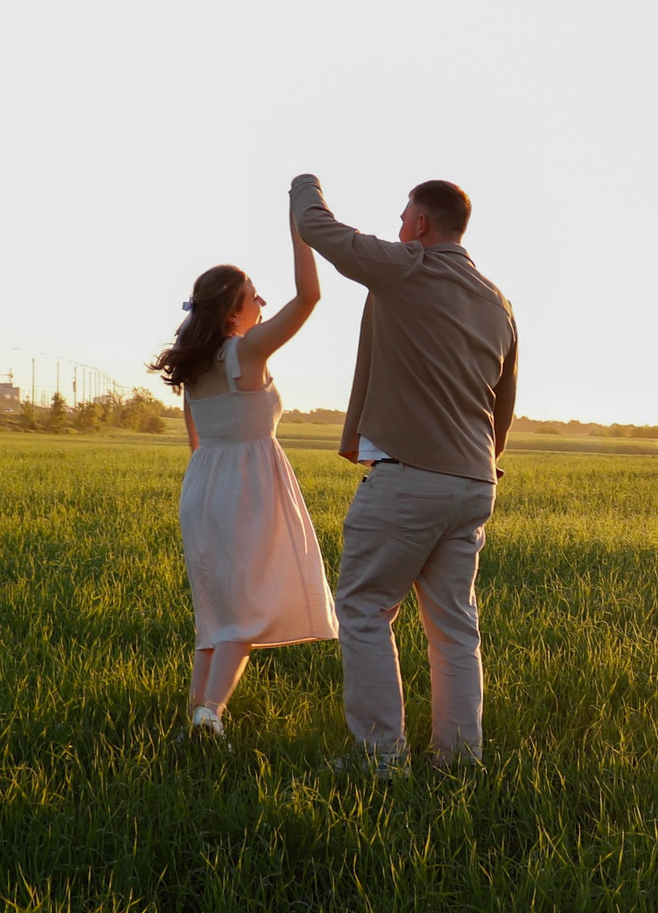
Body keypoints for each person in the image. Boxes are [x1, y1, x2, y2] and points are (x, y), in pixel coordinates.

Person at [290, 173, 518, 775]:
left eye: (401, 218)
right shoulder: (498, 301)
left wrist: (303, 183)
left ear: (419, 225)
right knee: (454, 627)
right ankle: (459, 760)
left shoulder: (407, 266)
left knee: (364, 608)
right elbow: (502, 405)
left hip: (410, 477)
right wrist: (480, 463)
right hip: (475, 481)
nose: (396, 229)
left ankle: (380, 756)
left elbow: (317, 226)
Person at [149, 221, 338, 738]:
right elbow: (310, 296)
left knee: (215, 611)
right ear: (234, 311)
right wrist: (302, 229)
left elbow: (196, 442)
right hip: (246, 488)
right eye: (255, 297)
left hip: (203, 487)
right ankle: (210, 714)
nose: (262, 304)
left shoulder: (194, 367)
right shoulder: (245, 351)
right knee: (245, 613)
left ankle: (197, 715)